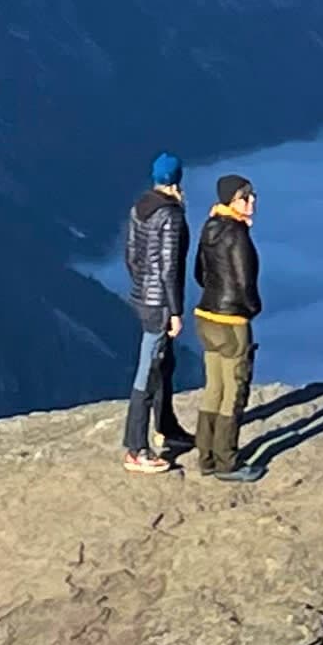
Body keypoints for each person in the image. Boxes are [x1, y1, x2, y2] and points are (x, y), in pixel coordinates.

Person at [122, 153, 191, 470]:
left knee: (164, 364)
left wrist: (141, 287)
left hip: (142, 297)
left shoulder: (140, 206)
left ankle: (167, 428)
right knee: (149, 370)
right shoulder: (170, 214)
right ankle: (136, 449)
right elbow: (169, 268)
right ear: (177, 180)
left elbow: (131, 255)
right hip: (160, 303)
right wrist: (175, 311)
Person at [191, 173, 261, 481]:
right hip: (232, 322)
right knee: (234, 391)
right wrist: (252, 308)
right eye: (245, 197)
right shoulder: (238, 234)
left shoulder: (210, 227)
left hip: (205, 316)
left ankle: (205, 457)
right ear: (232, 201)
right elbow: (245, 282)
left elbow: (199, 273)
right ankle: (226, 462)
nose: (252, 201)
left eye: (252, 195)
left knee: (214, 388)